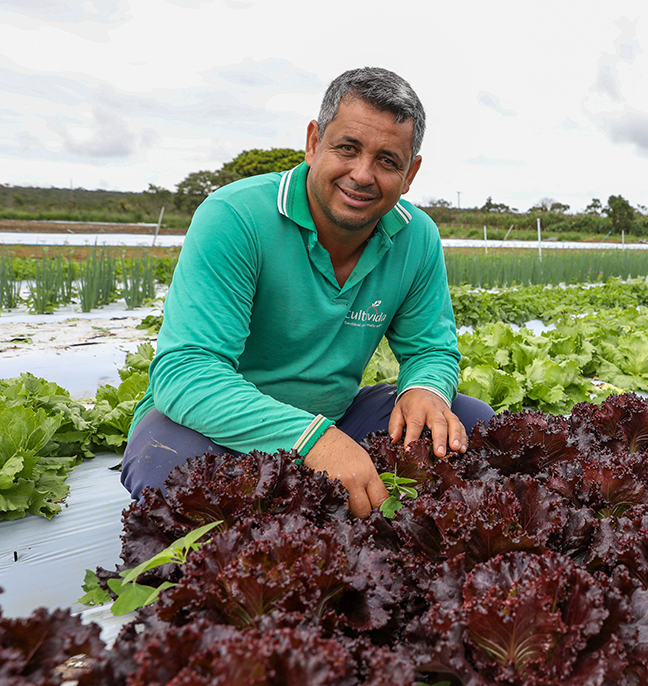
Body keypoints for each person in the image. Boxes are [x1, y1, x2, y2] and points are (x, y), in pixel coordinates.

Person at [121, 67, 492, 518]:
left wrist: (425, 389)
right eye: (347, 149)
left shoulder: (417, 237)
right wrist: (311, 441)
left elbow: (431, 349)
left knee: (470, 425)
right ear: (314, 142)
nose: (362, 174)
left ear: (410, 173)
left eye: (387, 161)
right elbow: (186, 372)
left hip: (337, 417)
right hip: (212, 428)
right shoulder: (235, 216)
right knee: (169, 471)